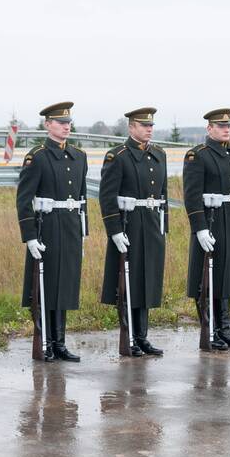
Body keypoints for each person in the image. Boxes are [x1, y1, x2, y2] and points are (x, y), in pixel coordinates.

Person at [16, 101, 88, 362]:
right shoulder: (37, 157)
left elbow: (82, 199)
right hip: (46, 228)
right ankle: (44, 341)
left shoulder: (79, 156)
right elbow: (24, 199)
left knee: (65, 285)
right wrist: (30, 236)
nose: (66, 127)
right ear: (48, 125)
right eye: (60, 122)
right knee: (45, 287)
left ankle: (59, 342)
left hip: (70, 227)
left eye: (68, 122)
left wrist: (84, 232)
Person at [99, 108, 167, 356]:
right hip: (130, 225)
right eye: (143, 125)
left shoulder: (158, 154)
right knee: (129, 283)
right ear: (131, 127)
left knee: (147, 281)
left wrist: (164, 226)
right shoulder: (118, 156)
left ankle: (142, 337)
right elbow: (107, 197)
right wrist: (114, 230)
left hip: (151, 224)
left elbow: (163, 195)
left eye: (151, 125)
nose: (149, 129)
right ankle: (128, 336)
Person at [182, 108, 230, 350]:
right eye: (220, 126)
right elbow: (191, 196)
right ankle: (209, 330)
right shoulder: (198, 155)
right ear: (209, 128)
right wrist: (199, 228)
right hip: (211, 221)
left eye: (228, 125)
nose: (226, 129)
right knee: (207, 277)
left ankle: (225, 330)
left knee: (226, 275)